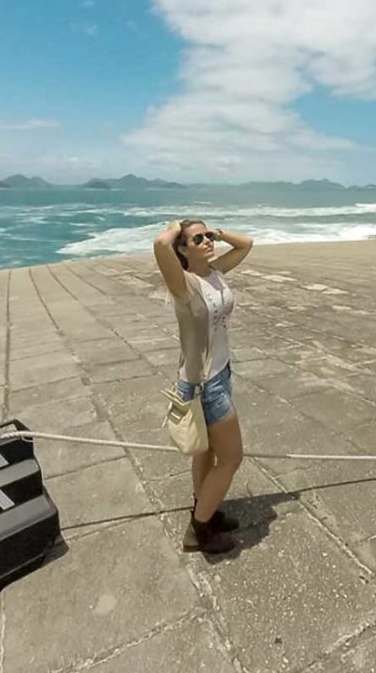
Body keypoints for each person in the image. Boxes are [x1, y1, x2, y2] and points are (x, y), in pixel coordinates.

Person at [153, 219, 254, 553]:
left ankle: (205, 512)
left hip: (220, 373)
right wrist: (173, 226)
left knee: (209, 453)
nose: (208, 241)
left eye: (209, 236)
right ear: (182, 248)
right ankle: (199, 531)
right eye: (199, 239)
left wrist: (220, 233)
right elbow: (159, 245)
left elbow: (246, 244)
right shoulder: (184, 284)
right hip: (204, 385)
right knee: (231, 458)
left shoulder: (215, 272)